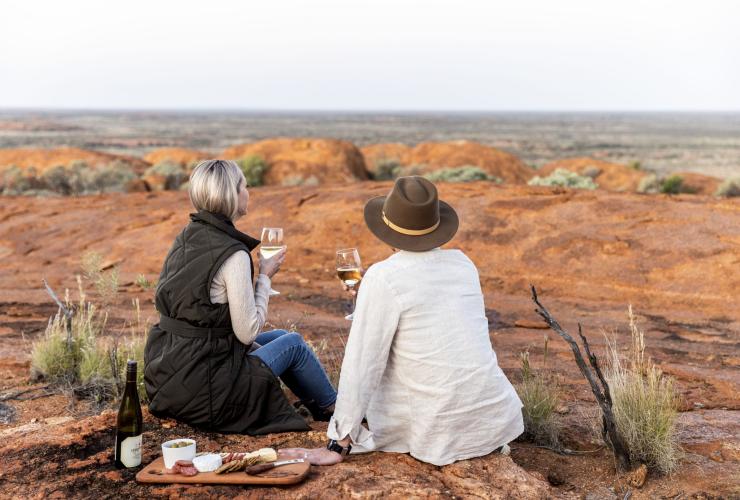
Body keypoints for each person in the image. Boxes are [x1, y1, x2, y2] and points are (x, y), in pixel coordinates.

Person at [280, 176, 524, 465]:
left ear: (386, 230)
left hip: (437, 431)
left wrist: (338, 443)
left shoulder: (384, 276)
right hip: (492, 421)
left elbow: (363, 363)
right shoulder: (463, 264)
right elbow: (434, 321)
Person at [144, 159, 336, 434]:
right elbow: (247, 332)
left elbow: (206, 321)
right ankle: (334, 409)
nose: (249, 192)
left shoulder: (186, 237)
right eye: (244, 186)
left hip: (171, 377)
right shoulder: (233, 253)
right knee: (292, 344)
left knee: (279, 336)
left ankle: (321, 405)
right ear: (231, 195)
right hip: (209, 392)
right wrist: (265, 277)